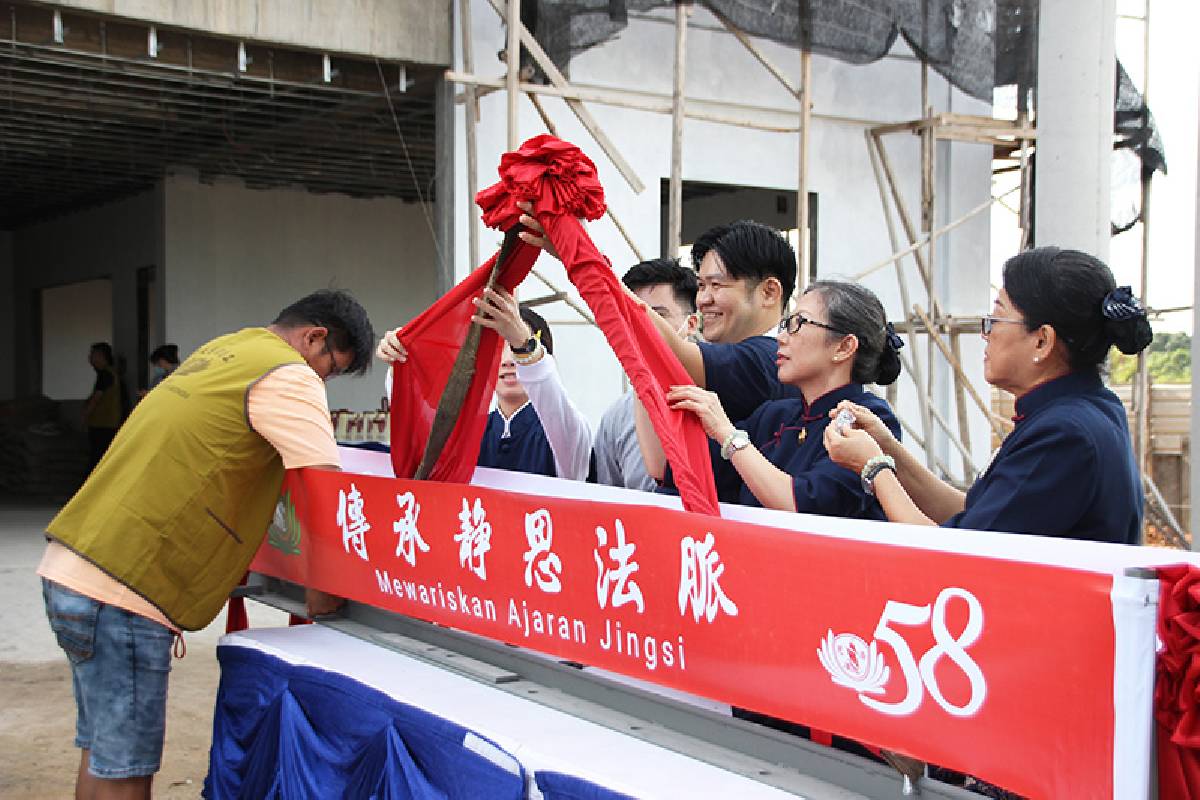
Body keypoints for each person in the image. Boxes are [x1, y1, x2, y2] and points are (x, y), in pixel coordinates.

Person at [39, 289, 375, 799]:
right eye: (330, 369)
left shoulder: (227, 350)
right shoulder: (288, 373)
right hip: (125, 585)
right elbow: (322, 488)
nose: (322, 381)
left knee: (104, 753)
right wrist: (324, 593)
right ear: (315, 337)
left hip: (73, 565)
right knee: (126, 770)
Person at [825, 247, 1153, 544]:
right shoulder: (1083, 410)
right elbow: (973, 515)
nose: (986, 335)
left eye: (995, 320)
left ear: (1042, 341)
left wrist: (873, 467)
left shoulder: (1063, 434)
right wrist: (887, 447)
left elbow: (958, 552)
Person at [517, 205, 800, 422]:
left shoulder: (769, 360)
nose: (703, 300)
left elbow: (667, 351)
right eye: (701, 286)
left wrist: (579, 252)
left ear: (769, 292)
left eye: (717, 285)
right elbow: (659, 468)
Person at [648, 280, 903, 515]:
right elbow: (677, 470)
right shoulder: (775, 416)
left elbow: (804, 505)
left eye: (798, 324)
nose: (781, 338)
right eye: (785, 325)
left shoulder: (869, 419)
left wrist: (728, 435)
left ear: (844, 347)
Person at [378, 287, 592, 481]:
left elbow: (549, 392)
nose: (509, 360)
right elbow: (421, 431)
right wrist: (401, 363)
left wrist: (525, 346)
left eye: (515, 347)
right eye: (498, 348)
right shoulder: (469, 432)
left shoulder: (567, 434)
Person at [593, 258, 699, 492]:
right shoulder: (616, 417)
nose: (642, 327)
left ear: (691, 324)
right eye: (631, 316)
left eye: (657, 316)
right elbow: (609, 498)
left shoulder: (714, 400)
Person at [83, 341, 122, 469]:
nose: (90, 358)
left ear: (101, 356)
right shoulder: (108, 373)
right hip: (105, 423)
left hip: (104, 424)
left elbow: (96, 400)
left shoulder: (106, 375)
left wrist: (85, 416)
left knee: (98, 458)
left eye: (92, 354)